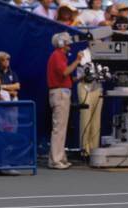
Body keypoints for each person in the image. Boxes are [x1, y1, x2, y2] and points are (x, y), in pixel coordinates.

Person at [47, 32, 83, 170]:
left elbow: (66, 77)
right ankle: (55, 160)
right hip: (60, 93)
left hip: (63, 91)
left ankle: (59, 157)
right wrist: (78, 60)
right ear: (61, 43)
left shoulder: (61, 56)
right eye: (67, 42)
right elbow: (64, 72)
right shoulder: (57, 55)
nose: (70, 45)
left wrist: (78, 77)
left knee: (61, 128)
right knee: (58, 129)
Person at [76, 47, 103, 159]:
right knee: (85, 118)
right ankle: (84, 150)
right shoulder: (82, 53)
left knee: (96, 120)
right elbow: (82, 73)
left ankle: (94, 149)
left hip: (98, 87)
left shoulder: (104, 53)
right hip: (84, 86)